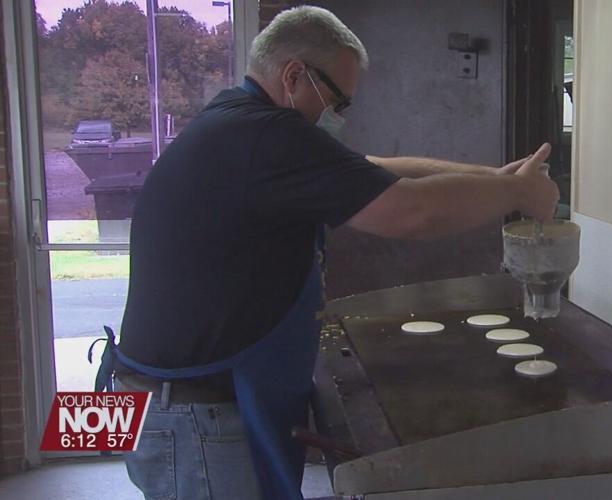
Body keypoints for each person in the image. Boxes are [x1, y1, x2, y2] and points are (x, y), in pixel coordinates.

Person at [103, 5, 558, 500]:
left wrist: (494, 180)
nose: (336, 116)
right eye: (337, 101)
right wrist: (519, 197)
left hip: (170, 399)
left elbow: (373, 168)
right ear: (295, 75)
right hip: (195, 412)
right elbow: (410, 212)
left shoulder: (237, 121)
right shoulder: (267, 135)